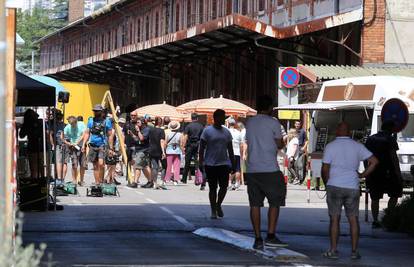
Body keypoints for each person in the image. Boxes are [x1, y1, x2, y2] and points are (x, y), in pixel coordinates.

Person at [321, 122, 378, 260]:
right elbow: (375, 161)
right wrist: (362, 175)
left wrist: (327, 182)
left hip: (334, 185)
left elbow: (325, 168)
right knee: (353, 220)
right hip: (352, 186)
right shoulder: (357, 146)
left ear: (337, 132)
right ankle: (354, 251)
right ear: (349, 132)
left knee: (334, 219)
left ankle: (333, 250)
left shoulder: (330, 146)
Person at [244, 95, 287, 250]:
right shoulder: (273, 123)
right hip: (270, 168)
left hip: (252, 169)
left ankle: (257, 238)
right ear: (270, 108)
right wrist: (281, 143)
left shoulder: (250, 122)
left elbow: (249, 141)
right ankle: (270, 235)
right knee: (275, 202)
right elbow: (280, 144)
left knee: (255, 204)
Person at [365, 120, 403, 228]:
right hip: (389, 172)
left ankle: (375, 221)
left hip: (373, 172)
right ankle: (388, 217)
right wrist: (398, 174)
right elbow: (393, 158)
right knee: (395, 194)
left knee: (375, 197)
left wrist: (367, 171)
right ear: (390, 129)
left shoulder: (371, 139)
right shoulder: (390, 139)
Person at [199, 109, 235, 219]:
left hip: (224, 163)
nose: (223, 119)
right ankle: (213, 210)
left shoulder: (227, 132)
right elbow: (202, 148)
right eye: (222, 117)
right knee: (213, 188)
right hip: (210, 164)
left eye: (224, 117)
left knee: (224, 187)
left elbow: (230, 149)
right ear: (215, 118)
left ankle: (218, 204)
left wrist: (233, 163)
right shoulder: (207, 131)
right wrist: (201, 162)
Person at [82, 104, 114, 186]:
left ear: (101, 111)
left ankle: (101, 180)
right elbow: (87, 133)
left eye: (97, 111)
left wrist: (111, 148)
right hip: (93, 145)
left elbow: (110, 135)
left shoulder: (107, 121)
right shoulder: (91, 121)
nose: (95, 112)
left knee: (101, 164)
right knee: (95, 165)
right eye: (94, 111)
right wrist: (83, 144)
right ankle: (97, 183)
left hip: (102, 145)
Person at [124, 111, 152, 188]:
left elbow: (142, 138)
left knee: (137, 166)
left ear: (142, 122)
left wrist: (138, 131)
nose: (137, 124)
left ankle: (135, 182)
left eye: (138, 122)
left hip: (143, 150)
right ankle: (150, 181)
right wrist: (132, 134)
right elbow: (137, 139)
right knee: (145, 167)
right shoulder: (141, 129)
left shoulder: (146, 129)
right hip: (139, 149)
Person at [19, 109, 47, 178]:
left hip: (33, 147)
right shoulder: (41, 122)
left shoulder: (27, 124)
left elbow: (21, 135)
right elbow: (45, 133)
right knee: (43, 168)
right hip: (41, 146)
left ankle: (35, 184)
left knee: (34, 170)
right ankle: (43, 185)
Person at [181, 113, 205, 186]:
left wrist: (183, 146)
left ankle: (184, 179)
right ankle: (199, 178)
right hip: (198, 145)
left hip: (190, 145)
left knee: (187, 162)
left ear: (191, 118)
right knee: (198, 162)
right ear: (197, 118)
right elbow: (203, 137)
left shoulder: (188, 126)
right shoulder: (201, 126)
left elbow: (185, 137)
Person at [63, 116, 86, 185]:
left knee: (83, 164)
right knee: (74, 164)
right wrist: (68, 143)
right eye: (71, 124)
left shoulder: (81, 124)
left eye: (74, 124)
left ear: (76, 122)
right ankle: (74, 180)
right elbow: (63, 137)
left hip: (81, 146)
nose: (72, 126)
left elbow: (84, 134)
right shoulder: (67, 127)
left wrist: (79, 143)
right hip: (73, 147)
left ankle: (81, 180)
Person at [149, 117, 167, 190]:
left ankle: (155, 183)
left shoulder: (151, 130)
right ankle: (161, 182)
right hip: (159, 150)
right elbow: (162, 141)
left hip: (152, 149)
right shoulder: (161, 131)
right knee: (164, 166)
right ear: (160, 122)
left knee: (155, 167)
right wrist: (163, 152)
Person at [50, 110, 68, 182]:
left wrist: (52, 144)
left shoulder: (53, 125)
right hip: (66, 143)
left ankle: (59, 179)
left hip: (58, 144)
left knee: (58, 162)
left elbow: (50, 134)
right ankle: (62, 179)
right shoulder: (65, 125)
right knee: (64, 162)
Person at [164, 121, 183, 185]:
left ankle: (167, 179)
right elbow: (181, 144)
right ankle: (176, 179)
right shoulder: (180, 134)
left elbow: (165, 143)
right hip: (177, 151)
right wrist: (182, 150)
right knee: (176, 166)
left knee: (168, 166)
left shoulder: (168, 134)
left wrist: (164, 150)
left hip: (169, 150)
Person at [227, 118, 243, 190]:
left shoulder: (226, 131)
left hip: (229, 152)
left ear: (229, 124)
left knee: (229, 169)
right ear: (234, 124)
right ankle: (237, 183)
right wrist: (241, 153)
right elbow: (241, 144)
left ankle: (230, 183)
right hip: (237, 152)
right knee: (237, 169)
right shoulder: (238, 132)